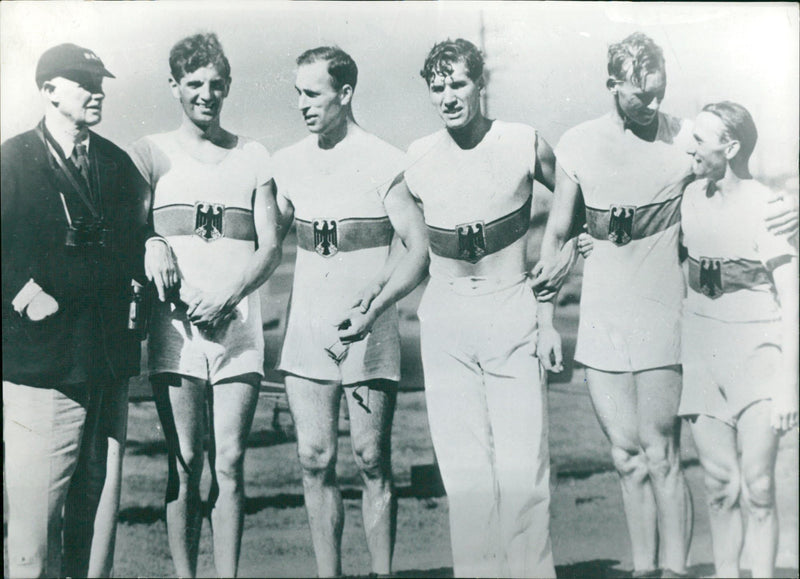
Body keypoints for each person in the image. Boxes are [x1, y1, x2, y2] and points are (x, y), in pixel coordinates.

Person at [384, 38, 579, 578]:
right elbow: (400, 230)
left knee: (523, 472)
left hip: (510, 308)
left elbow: (574, 205)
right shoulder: (417, 157)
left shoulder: (522, 141)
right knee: (466, 476)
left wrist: (561, 267)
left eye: (459, 83)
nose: (448, 96)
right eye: (438, 87)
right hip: (445, 317)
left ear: (480, 84)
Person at [2, 43, 174, 578]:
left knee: (95, 525)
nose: (97, 90)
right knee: (34, 534)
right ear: (48, 90)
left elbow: (137, 229)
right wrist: (25, 294)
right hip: (41, 371)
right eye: (82, 80)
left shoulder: (117, 164)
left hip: (107, 368)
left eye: (100, 79)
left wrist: (152, 243)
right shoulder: (11, 161)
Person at [538, 32, 694, 578]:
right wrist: (545, 324)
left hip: (662, 316)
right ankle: (644, 569)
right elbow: (556, 237)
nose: (652, 106)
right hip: (602, 321)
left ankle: (676, 571)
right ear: (612, 86)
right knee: (625, 457)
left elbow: (733, 179)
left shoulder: (686, 138)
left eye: (659, 92)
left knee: (662, 455)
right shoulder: (578, 144)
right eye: (639, 96)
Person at [128, 33, 281, 578]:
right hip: (177, 330)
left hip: (237, 328)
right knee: (186, 463)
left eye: (216, 84)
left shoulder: (253, 155)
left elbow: (270, 246)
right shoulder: (151, 152)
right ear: (175, 86)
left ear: (228, 86)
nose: (206, 94)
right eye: (194, 84)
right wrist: (152, 243)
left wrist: (230, 295)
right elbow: (134, 230)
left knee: (232, 464)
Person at [271, 46, 429, 578]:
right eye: (297, 93)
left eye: (312, 93)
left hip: (371, 330)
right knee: (314, 459)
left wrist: (377, 307)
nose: (302, 104)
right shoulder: (287, 162)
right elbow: (262, 241)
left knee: (370, 460)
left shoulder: (386, 160)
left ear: (345, 94)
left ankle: (382, 573)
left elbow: (418, 251)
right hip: (308, 329)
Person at [678, 102, 797, 578]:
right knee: (720, 485)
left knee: (759, 486)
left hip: (758, 353)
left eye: (702, 140)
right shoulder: (689, 198)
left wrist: (789, 386)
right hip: (703, 350)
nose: (691, 146)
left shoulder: (768, 206)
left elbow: (792, 301)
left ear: (730, 148)